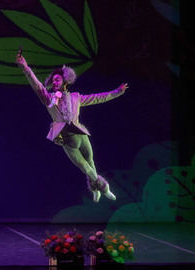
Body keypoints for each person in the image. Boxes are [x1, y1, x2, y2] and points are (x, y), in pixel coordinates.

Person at [16, 50, 129, 203]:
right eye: (53, 80)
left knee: (91, 163)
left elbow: (97, 98)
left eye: (58, 79)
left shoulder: (76, 97)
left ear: (65, 81)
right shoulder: (48, 98)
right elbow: (36, 84)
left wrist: (117, 92)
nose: (55, 82)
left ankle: (95, 189)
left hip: (81, 135)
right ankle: (105, 188)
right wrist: (25, 67)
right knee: (85, 168)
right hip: (67, 140)